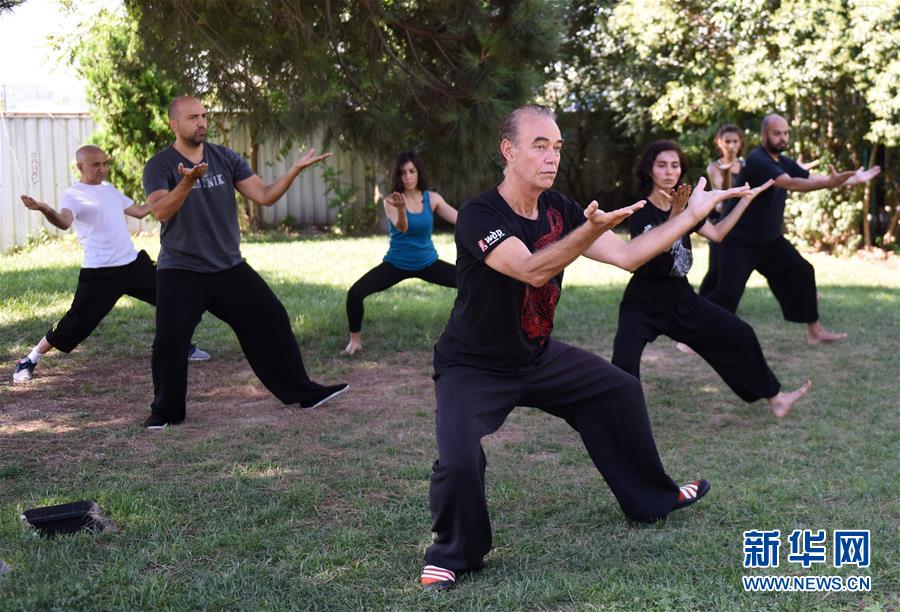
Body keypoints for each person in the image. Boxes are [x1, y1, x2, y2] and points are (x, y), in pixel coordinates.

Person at [418, 106, 750, 591]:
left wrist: (690, 217)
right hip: (473, 364)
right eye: (539, 145)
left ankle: (653, 497)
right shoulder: (478, 214)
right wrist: (589, 230)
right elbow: (531, 268)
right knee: (459, 456)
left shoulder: (561, 210)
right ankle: (454, 553)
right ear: (508, 151)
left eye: (557, 147)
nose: (551, 157)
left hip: (536, 353)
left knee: (618, 389)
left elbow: (631, 256)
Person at [141, 96, 348, 429]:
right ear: (174, 124)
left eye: (204, 116)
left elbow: (264, 195)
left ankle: (304, 392)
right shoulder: (160, 165)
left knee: (272, 318)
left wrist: (293, 171)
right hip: (181, 268)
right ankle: (165, 411)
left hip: (228, 267)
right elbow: (161, 211)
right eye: (193, 117)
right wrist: (187, 181)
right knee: (170, 340)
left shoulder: (224, 157)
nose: (202, 122)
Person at [611, 140, 811, 418]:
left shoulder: (685, 206)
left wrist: (745, 202)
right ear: (649, 169)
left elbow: (718, 234)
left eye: (675, 165)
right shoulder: (639, 210)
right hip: (643, 299)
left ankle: (775, 399)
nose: (669, 172)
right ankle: (619, 420)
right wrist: (677, 213)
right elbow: (647, 251)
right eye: (661, 165)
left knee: (740, 333)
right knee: (623, 364)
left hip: (681, 297)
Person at [12, 145, 211, 384]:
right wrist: (45, 208)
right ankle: (30, 359)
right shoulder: (74, 194)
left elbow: (140, 211)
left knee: (176, 298)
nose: (102, 169)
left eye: (105, 164)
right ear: (80, 167)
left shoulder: (110, 190)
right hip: (100, 273)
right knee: (75, 322)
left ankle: (181, 345)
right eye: (96, 165)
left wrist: (177, 188)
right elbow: (64, 222)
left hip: (132, 264)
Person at [706, 114, 881, 345]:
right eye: (777, 133)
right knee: (727, 294)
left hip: (769, 241)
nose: (783, 138)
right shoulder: (758, 160)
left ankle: (815, 331)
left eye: (786, 133)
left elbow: (810, 176)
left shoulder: (781, 160)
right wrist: (832, 182)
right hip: (739, 240)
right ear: (764, 135)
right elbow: (792, 183)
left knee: (802, 272)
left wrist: (850, 180)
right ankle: (693, 337)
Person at [344, 152, 458, 355]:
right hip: (397, 263)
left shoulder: (432, 199)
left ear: (418, 173)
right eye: (403, 172)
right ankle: (355, 341)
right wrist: (402, 209)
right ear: (398, 176)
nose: (408, 177)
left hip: (428, 262)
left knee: (471, 281)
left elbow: (461, 219)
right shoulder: (391, 201)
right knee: (355, 293)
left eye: (412, 171)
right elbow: (402, 228)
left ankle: (469, 330)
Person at [697, 124, 745, 297]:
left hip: (741, 220)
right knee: (716, 267)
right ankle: (702, 299)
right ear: (719, 143)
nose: (731, 146)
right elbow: (724, 195)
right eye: (727, 141)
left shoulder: (747, 165)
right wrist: (726, 174)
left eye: (735, 141)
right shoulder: (713, 167)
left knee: (736, 266)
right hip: (720, 219)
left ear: (740, 143)